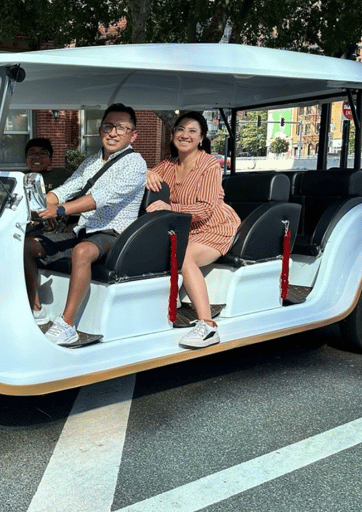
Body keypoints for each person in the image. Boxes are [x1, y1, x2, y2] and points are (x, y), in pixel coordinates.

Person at [24, 103, 147, 346]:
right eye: (108, 126)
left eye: (121, 128)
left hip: (114, 233)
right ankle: (36, 310)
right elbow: (66, 189)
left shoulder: (135, 163)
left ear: (133, 134)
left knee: (82, 251)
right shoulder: (91, 161)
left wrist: (58, 210)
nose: (113, 132)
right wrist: (39, 203)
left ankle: (67, 324)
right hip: (84, 229)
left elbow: (99, 199)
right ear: (101, 129)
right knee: (28, 246)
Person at [145, 111, 241, 349]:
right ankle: (169, 304)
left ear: (201, 138)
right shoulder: (167, 165)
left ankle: (207, 326)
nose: (185, 135)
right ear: (173, 134)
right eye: (180, 129)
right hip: (183, 229)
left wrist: (170, 207)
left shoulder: (209, 165)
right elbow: (140, 176)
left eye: (192, 131)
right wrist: (144, 172)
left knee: (184, 257)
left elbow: (206, 209)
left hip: (213, 226)